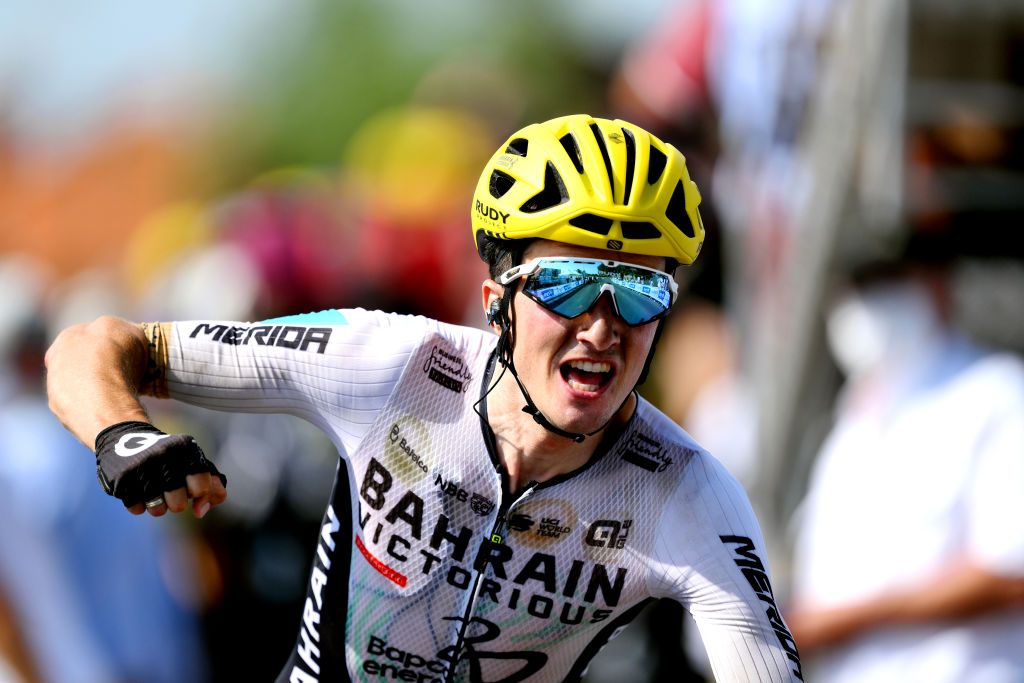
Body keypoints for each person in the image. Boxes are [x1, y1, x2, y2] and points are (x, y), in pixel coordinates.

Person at [45, 114, 803, 682]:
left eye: (640, 294)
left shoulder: (686, 492)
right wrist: (124, 434)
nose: (602, 327)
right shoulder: (389, 364)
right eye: (567, 286)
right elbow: (91, 347)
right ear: (495, 301)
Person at [785, 234, 1024, 682]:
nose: (868, 304)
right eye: (858, 287)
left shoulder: (998, 394)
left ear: (939, 285)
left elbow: (1011, 572)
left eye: (887, 282)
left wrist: (839, 620)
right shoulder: (850, 422)